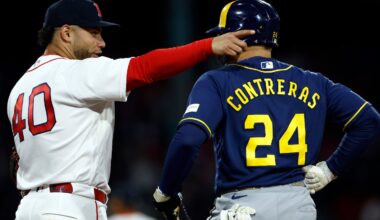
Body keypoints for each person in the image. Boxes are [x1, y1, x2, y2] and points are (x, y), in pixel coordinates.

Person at [6, 0, 254, 219]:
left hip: (29, 206)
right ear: (67, 33)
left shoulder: (20, 87)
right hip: (68, 206)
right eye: (94, 33)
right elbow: (144, 68)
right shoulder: (74, 72)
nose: (101, 43)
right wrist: (208, 46)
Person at [151, 0, 380, 219]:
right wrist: (330, 169)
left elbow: (187, 140)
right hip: (299, 207)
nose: (219, 41)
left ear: (239, 36)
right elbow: (368, 119)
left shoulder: (217, 81)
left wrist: (166, 192)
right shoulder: (314, 81)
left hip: (243, 206)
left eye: (223, 33)